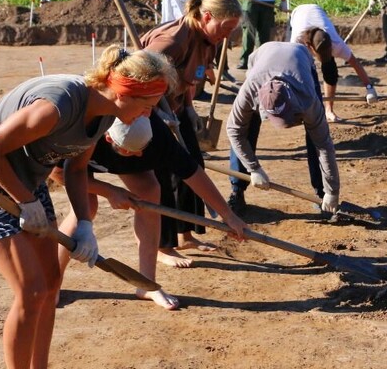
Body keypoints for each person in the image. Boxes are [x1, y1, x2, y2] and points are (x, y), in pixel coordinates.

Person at [0, 47, 176, 369]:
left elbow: (77, 170)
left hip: (30, 183)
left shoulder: (105, 114)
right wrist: (25, 201)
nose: (148, 115)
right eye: (147, 106)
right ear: (124, 92)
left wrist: (84, 223)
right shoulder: (59, 106)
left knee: (51, 283)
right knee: (31, 289)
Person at [54, 113, 248, 311]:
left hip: (116, 155)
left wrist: (228, 216)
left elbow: (193, 173)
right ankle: (51, 282)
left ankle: (146, 284)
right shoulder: (85, 126)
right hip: (79, 162)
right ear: (109, 138)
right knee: (86, 208)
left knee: (149, 192)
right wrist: (109, 191)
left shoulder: (158, 136)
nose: (139, 155)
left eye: (143, 149)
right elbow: (59, 174)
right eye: (132, 151)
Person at [141, 0, 243, 265]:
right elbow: (138, 73)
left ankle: (185, 234)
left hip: (175, 107)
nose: (228, 35)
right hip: (149, 110)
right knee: (162, 175)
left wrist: (188, 109)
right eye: (226, 27)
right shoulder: (172, 41)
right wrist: (155, 111)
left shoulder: (209, 40)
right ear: (207, 17)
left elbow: (187, 78)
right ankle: (163, 246)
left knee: (193, 164)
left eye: (232, 29)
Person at [225, 40, 341, 216]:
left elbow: (324, 145)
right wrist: (253, 168)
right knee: (245, 129)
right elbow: (234, 130)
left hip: (300, 58)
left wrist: (332, 191)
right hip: (261, 58)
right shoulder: (250, 91)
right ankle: (237, 191)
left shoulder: (307, 98)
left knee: (315, 137)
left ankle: (321, 194)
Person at [288, 3, 379, 122]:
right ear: (310, 47)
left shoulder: (336, 44)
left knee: (330, 71)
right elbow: (291, 69)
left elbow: (355, 63)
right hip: (298, 13)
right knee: (304, 72)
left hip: (317, 11)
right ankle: (301, 110)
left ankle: (329, 110)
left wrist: (369, 88)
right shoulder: (297, 42)